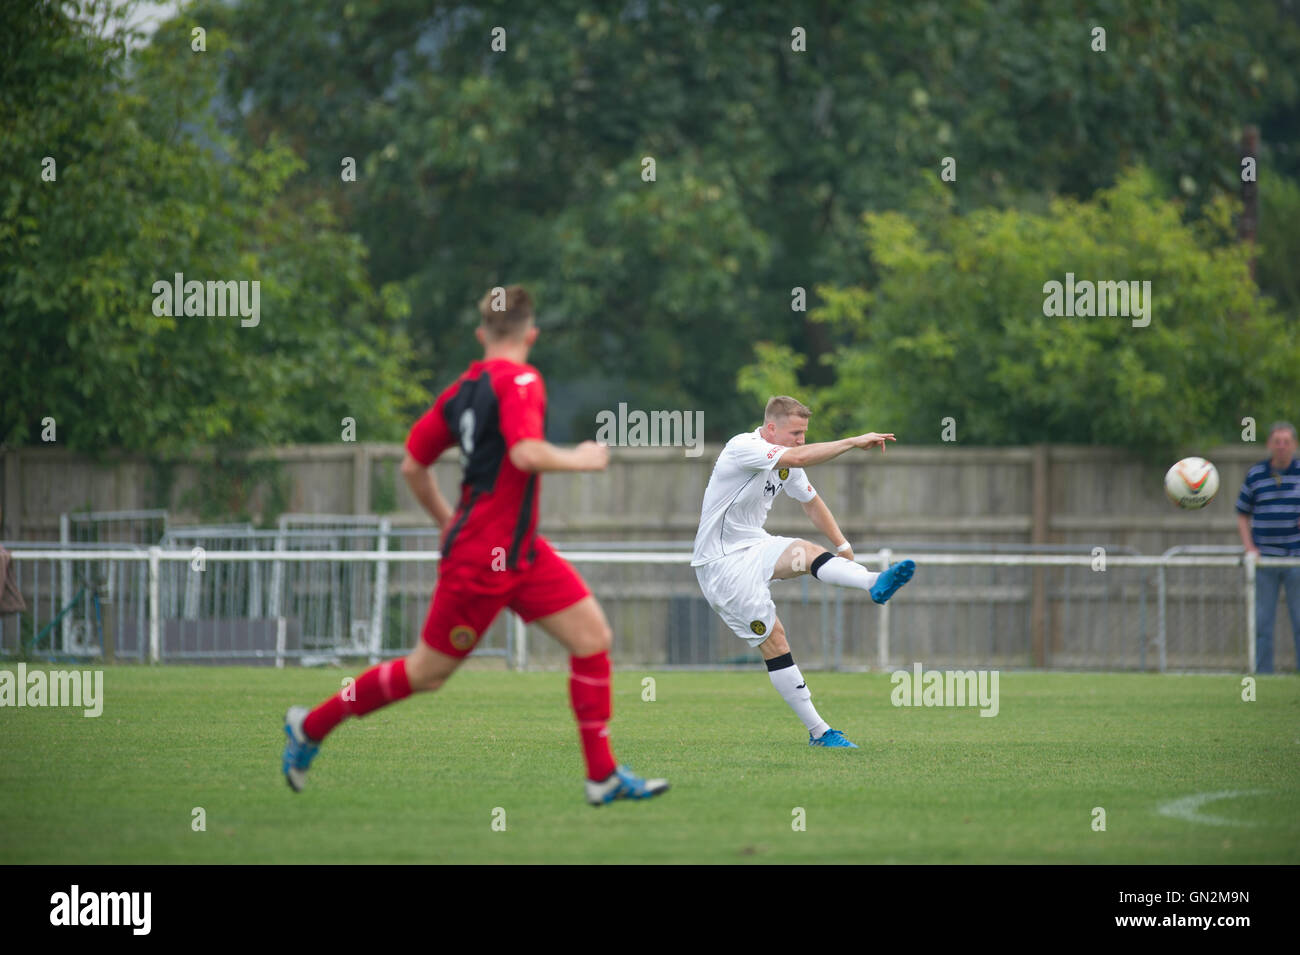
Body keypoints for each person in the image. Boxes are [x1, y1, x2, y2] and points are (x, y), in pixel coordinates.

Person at [282, 285, 668, 804]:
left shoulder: (461, 391)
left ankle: (601, 776)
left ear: (481, 333)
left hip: (521, 551)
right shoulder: (524, 380)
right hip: (483, 557)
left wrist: (446, 518)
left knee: (592, 637)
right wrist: (584, 458)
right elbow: (527, 453)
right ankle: (312, 725)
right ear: (531, 333)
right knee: (426, 673)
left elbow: (412, 465)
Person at [692, 395, 916, 747]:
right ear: (770, 429)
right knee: (775, 640)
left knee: (808, 552)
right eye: (795, 432)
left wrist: (842, 546)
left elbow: (811, 502)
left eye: (804, 433)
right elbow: (796, 457)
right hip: (721, 566)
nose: (801, 440)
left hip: (754, 546)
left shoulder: (787, 461)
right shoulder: (743, 447)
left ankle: (874, 582)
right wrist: (853, 441)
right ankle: (819, 731)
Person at [1236, 421, 1300, 673]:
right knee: (1262, 624)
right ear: (1269, 445)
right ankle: (1263, 675)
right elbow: (1242, 513)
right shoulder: (1256, 474)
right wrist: (1250, 548)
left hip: (1296, 559)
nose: (1282, 447)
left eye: (1286, 442)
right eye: (1277, 441)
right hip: (1265, 561)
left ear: (1294, 445)